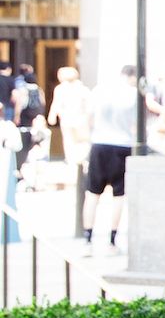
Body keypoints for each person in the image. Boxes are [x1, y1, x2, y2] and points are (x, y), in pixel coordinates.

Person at [84, 63, 139, 251]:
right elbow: (137, 124)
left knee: (92, 193)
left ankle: (88, 238)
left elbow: (89, 118)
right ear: (132, 76)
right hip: (122, 144)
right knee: (118, 194)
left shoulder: (99, 91)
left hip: (99, 143)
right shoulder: (133, 94)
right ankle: (112, 239)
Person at [49, 65, 93, 172]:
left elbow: (56, 104)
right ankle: (81, 161)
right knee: (83, 142)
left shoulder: (60, 89)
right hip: (81, 120)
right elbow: (90, 106)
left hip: (67, 119)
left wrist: (52, 116)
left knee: (69, 141)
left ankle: (72, 163)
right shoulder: (83, 89)